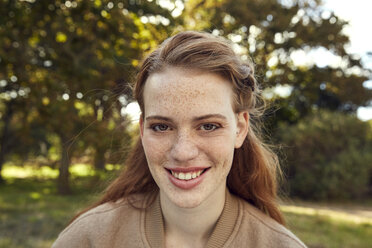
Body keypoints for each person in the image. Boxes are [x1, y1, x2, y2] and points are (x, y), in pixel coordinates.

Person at [52, 31, 306, 248]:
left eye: (208, 126)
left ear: (239, 129)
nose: (183, 152)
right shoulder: (89, 238)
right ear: (142, 131)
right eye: (161, 127)